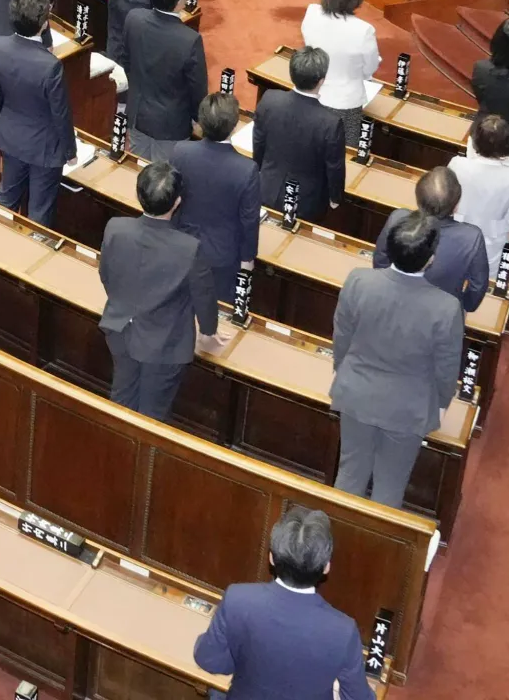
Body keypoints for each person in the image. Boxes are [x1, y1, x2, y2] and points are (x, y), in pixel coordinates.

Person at [331, 213, 465, 504]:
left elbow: (341, 336)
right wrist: (441, 404)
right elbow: (446, 369)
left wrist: (342, 372)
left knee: (349, 475)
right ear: (430, 259)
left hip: (356, 393)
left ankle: (333, 541)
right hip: (409, 409)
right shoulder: (447, 308)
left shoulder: (358, 281)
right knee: (390, 488)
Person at [192, 506, 373, 700]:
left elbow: (208, 659)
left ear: (271, 557)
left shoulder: (237, 599)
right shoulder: (343, 630)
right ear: (326, 567)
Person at [99, 159, 219, 419]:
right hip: (165, 344)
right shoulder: (189, 248)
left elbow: (106, 275)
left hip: (120, 331)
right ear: (177, 202)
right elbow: (204, 298)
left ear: (138, 194)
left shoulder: (115, 228)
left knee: (120, 404)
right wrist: (209, 332)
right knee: (153, 416)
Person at [0, 0, 74, 228]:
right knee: (39, 213)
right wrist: (70, 151)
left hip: (10, 136)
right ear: (44, 23)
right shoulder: (51, 66)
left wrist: (2, 124)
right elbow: (61, 114)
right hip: (44, 149)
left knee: (5, 201)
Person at [169, 92, 261, 284]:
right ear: (235, 126)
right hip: (223, 256)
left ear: (201, 122)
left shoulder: (181, 151)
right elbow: (249, 220)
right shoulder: (246, 169)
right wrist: (248, 259)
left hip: (182, 244)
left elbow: (172, 198)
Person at [369, 167, 490, 313]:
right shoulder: (472, 237)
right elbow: (478, 285)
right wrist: (463, 305)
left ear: (418, 199)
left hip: (393, 299)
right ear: (456, 206)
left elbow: (381, 260)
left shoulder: (398, 218)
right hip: (442, 310)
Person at [255, 45, 346, 219]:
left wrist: (259, 171)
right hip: (306, 203)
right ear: (321, 80)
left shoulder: (269, 99)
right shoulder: (330, 123)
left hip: (266, 188)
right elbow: (334, 167)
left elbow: (258, 142)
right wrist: (335, 198)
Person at [124, 0, 206, 161]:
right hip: (171, 125)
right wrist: (198, 119)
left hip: (137, 115)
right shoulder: (190, 39)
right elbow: (197, 87)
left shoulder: (133, 18)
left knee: (137, 173)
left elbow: (126, 61)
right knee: (163, 181)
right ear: (179, 4)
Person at [449, 111, 509, 284]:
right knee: (481, 286)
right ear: (507, 145)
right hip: (490, 242)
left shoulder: (457, 164)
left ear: (475, 141)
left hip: (454, 235)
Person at [302, 0, 379, 144]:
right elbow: (369, 69)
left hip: (312, 95)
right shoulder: (364, 31)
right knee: (343, 156)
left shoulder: (312, 13)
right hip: (345, 105)